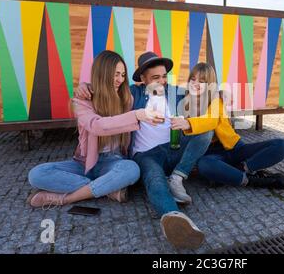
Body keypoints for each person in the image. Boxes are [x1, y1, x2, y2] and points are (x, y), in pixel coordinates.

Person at [75, 51, 213, 250]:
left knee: (204, 131)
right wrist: (85, 87)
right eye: (155, 77)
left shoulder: (176, 92)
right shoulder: (132, 94)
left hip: (174, 149)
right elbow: (106, 87)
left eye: (164, 76)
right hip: (147, 154)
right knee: (154, 179)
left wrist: (192, 118)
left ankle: (178, 176)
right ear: (143, 79)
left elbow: (204, 94)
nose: (162, 81)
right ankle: (175, 218)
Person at [27, 51, 157, 209]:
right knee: (37, 174)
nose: (120, 80)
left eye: (123, 75)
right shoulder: (81, 102)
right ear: (102, 73)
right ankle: (108, 189)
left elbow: (147, 87)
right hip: (84, 164)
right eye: (116, 74)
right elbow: (98, 126)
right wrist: (136, 115)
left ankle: (65, 199)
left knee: (131, 169)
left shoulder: (126, 98)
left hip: (113, 161)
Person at [170, 62, 284, 189]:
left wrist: (188, 123)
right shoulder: (184, 102)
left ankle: (241, 169)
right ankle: (252, 180)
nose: (195, 83)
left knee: (281, 145)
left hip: (235, 148)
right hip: (211, 154)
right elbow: (166, 89)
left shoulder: (216, 99)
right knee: (204, 165)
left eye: (202, 81)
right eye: (193, 79)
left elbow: (211, 121)